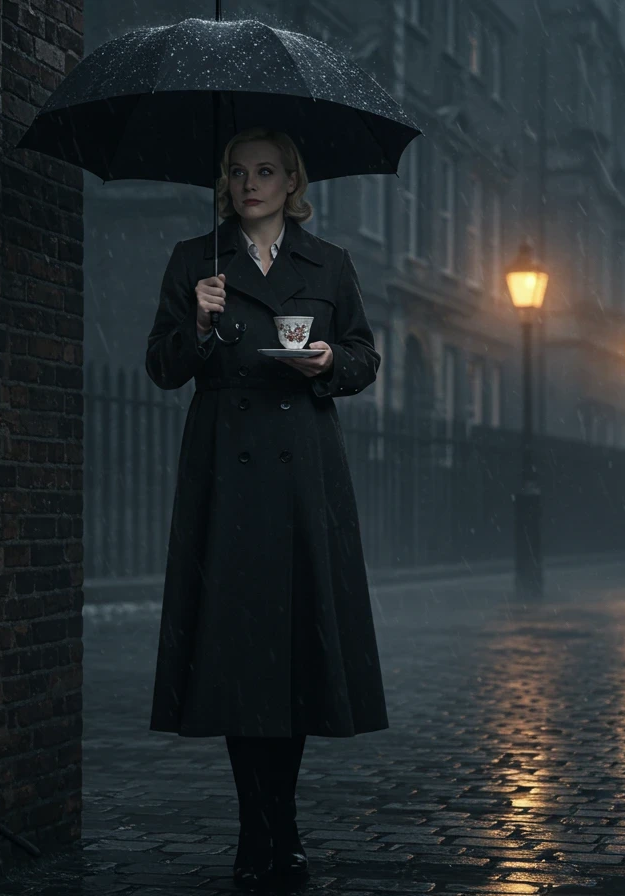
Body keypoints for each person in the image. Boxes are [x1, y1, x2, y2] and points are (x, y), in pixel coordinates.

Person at [144, 126, 389, 889]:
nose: (251, 183)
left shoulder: (330, 264)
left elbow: (363, 356)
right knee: (240, 659)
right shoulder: (196, 261)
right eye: (238, 171)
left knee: (293, 660)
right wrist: (201, 325)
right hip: (227, 474)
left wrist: (326, 365)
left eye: (267, 171)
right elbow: (160, 366)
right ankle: (256, 826)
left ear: (292, 181)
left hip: (302, 474)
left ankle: (283, 821)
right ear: (226, 181)